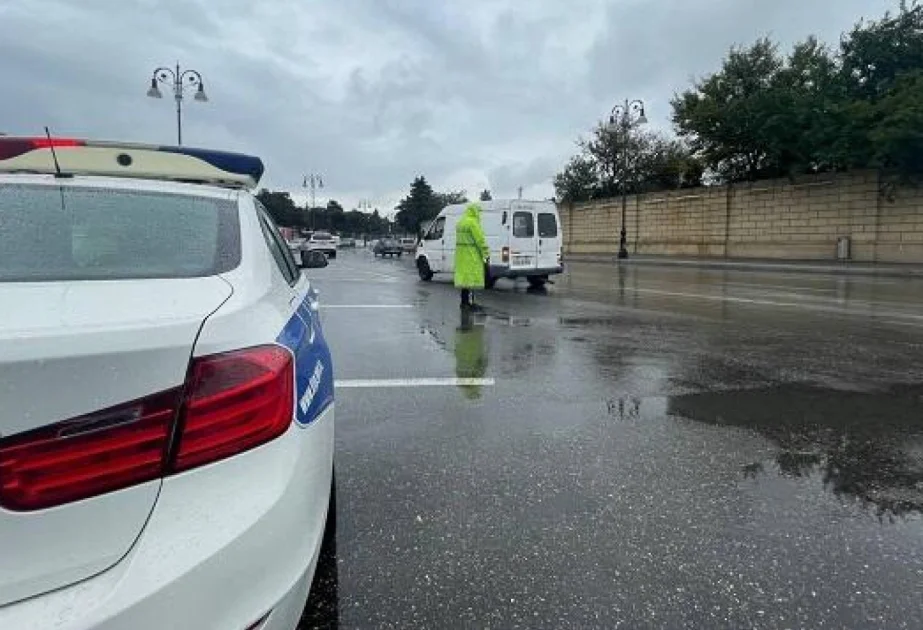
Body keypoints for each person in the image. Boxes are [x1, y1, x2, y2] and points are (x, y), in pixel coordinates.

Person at [454, 202, 489, 309]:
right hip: (471, 255)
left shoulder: (460, 223)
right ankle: (470, 303)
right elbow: (480, 240)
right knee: (471, 280)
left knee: (464, 280)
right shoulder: (473, 223)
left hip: (461, 256)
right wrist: (486, 254)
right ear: (475, 211)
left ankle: (464, 302)